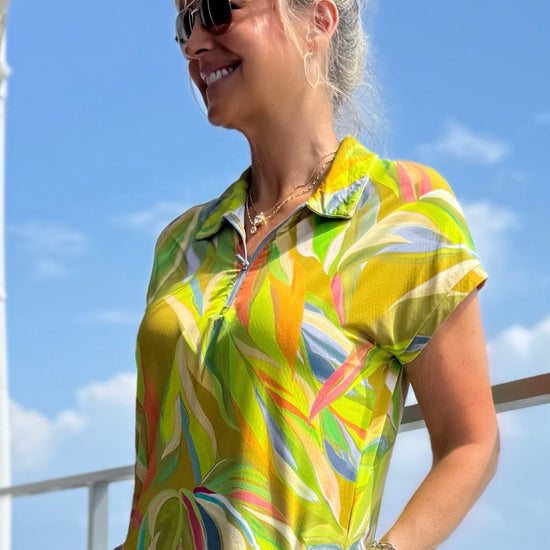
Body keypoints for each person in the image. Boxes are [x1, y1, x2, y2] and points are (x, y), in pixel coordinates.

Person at [119, 0, 499, 548]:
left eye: (219, 9)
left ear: (319, 18)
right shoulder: (180, 244)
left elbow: (471, 442)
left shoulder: (403, 212)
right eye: (185, 22)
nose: (196, 42)